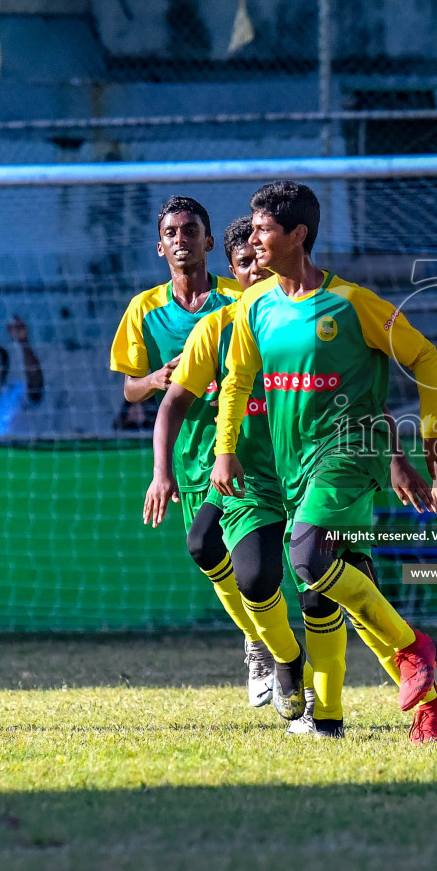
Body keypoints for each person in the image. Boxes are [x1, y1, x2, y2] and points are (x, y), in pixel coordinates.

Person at [211, 180, 437, 743]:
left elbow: (423, 353)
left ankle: (414, 648)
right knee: (320, 592)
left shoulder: (350, 303)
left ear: (298, 235)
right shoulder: (255, 305)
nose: (253, 239)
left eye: (263, 230)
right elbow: (237, 382)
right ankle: (338, 718)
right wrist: (226, 448)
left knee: (304, 558)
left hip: (352, 452)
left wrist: (432, 440)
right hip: (293, 464)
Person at [109, 197, 267, 704]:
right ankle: (259, 636)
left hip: (248, 444)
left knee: (263, 557)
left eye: (190, 230)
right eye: (171, 232)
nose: (181, 238)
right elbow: (130, 389)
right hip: (190, 452)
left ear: (207, 241)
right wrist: (155, 378)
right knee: (206, 552)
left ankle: (273, 650)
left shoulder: (237, 295)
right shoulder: (144, 309)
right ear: (160, 246)